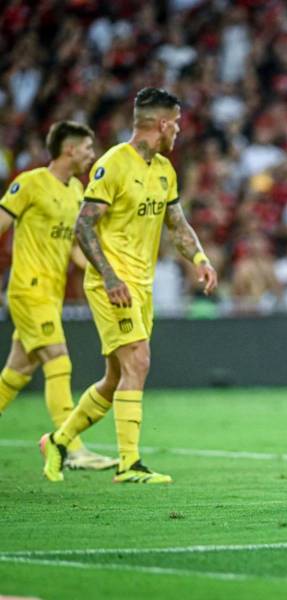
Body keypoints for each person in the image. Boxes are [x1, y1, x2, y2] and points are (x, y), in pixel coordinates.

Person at [40, 88, 218, 483]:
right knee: (139, 359)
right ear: (162, 123)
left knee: (116, 377)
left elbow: (178, 225)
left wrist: (201, 260)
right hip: (113, 283)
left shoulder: (164, 170)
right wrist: (108, 275)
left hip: (142, 284)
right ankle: (129, 463)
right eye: (177, 124)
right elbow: (83, 224)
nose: (179, 132)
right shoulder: (113, 164)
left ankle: (58, 440)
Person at [0, 121, 117, 471]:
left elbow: (74, 249)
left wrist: (106, 273)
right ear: (69, 148)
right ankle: (72, 448)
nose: (90, 155)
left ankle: (70, 445)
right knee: (59, 359)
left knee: (17, 372)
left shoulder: (76, 190)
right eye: (86, 148)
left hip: (51, 294)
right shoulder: (31, 182)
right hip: (27, 288)